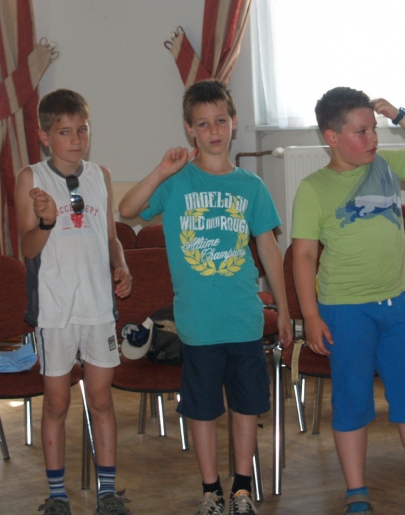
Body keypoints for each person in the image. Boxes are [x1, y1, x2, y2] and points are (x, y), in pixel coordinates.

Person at [291, 87, 405, 515]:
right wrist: (311, 316)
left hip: (398, 308)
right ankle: (357, 495)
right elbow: (303, 256)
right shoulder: (314, 188)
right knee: (353, 402)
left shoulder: (386, 166)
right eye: (361, 131)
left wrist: (400, 116)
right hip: (345, 312)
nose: (372, 138)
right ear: (331, 137)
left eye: (374, 129)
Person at [119, 79, 293, 515]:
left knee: (246, 405)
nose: (213, 130)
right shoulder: (177, 181)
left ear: (233, 122)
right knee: (202, 409)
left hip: (244, 317)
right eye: (202, 123)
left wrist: (285, 308)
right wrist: (161, 171)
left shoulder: (251, 185)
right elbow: (127, 210)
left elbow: (268, 248)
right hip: (197, 321)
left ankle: (241, 489)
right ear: (189, 129)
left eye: (220, 120)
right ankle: (211, 490)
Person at [15, 89, 133, 515]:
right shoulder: (31, 178)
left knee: (101, 401)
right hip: (55, 310)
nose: (76, 139)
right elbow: (28, 249)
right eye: (64, 132)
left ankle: (107, 492)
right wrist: (47, 221)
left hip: (98, 308)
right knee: (57, 403)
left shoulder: (100, 175)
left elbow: (111, 237)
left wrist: (122, 266)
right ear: (45, 136)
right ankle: (57, 495)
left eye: (82, 130)